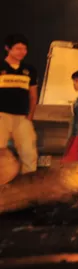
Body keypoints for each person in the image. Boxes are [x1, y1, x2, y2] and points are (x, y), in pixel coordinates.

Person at [0, 34, 38, 175]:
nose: (22, 52)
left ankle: (27, 188)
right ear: (7, 49)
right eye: (18, 48)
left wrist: (30, 116)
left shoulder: (29, 70)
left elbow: (33, 95)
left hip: (22, 118)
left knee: (29, 153)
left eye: (24, 49)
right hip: (1, 117)